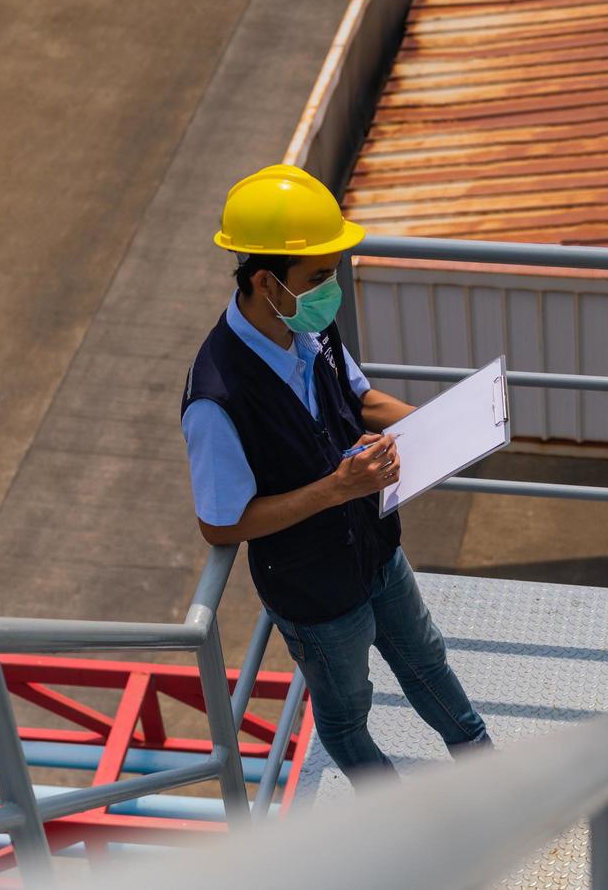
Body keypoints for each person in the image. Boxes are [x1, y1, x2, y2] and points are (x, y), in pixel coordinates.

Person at [181, 164, 491, 784]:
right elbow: (220, 526)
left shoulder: (309, 324)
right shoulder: (218, 397)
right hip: (315, 595)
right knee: (348, 714)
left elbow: (359, 399)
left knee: (427, 661)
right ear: (267, 282)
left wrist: (451, 427)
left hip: (375, 548)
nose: (333, 289)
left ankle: (486, 768)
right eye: (319, 276)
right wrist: (337, 489)